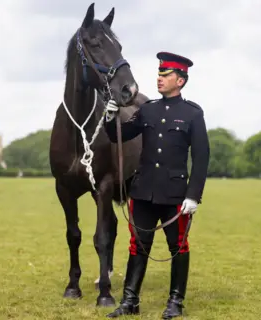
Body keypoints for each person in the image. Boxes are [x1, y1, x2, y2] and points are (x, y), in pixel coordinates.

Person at [103, 51, 210, 319]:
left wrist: (193, 195)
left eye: (166, 75)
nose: (159, 79)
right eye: (159, 74)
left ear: (181, 80)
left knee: (178, 248)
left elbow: (201, 158)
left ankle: (175, 303)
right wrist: (110, 117)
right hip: (142, 193)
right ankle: (130, 301)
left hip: (175, 195)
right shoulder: (147, 109)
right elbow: (120, 136)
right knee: (138, 246)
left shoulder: (193, 114)